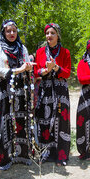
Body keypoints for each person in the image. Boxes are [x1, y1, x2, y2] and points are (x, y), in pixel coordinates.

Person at [0, 19, 34, 170]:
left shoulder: (22, 48)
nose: (11, 33)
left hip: (21, 90)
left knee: (21, 120)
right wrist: (18, 70)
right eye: (8, 31)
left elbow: (27, 64)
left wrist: (28, 68)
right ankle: (4, 158)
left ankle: (22, 154)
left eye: (14, 31)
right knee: (3, 122)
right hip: (3, 90)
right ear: (3, 32)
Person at [34, 23, 71, 166]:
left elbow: (67, 72)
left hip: (60, 90)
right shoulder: (40, 52)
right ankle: (45, 154)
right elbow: (36, 70)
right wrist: (44, 71)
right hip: (45, 89)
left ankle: (61, 156)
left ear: (58, 35)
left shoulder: (65, 52)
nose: (49, 36)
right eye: (47, 33)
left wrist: (55, 67)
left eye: (52, 33)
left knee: (61, 121)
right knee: (44, 120)